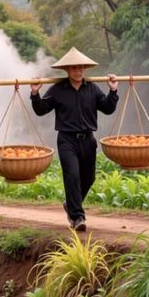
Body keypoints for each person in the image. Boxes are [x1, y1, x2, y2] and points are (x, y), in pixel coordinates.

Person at [30, 46, 118, 231]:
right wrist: (35, 94)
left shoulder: (92, 88)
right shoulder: (57, 90)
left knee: (89, 178)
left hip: (88, 139)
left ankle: (69, 204)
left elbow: (108, 108)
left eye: (81, 68)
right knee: (72, 176)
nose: (78, 71)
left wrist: (113, 91)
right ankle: (78, 217)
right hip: (67, 140)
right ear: (67, 70)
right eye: (74, 68)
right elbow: (41, 110)